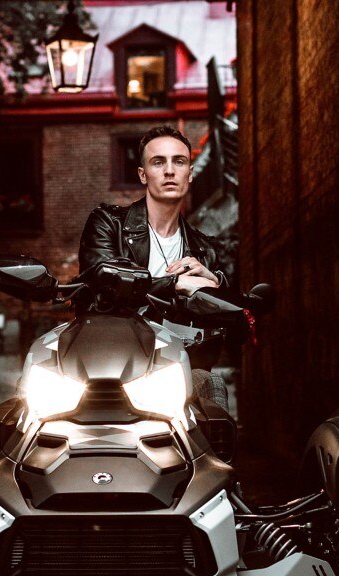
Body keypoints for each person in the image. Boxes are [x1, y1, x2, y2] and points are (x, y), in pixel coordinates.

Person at [78, 125, 229, 405]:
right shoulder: (108, 224)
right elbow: (102, 281)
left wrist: (217, 286)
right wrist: (176, 284)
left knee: (211, 386)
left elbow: (228, 333)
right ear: (143, 174)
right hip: (104, 363)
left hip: (172, 373)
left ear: (190, 174)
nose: (169, 170)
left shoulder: (204, 250)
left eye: (179, 161)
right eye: (158, 162)